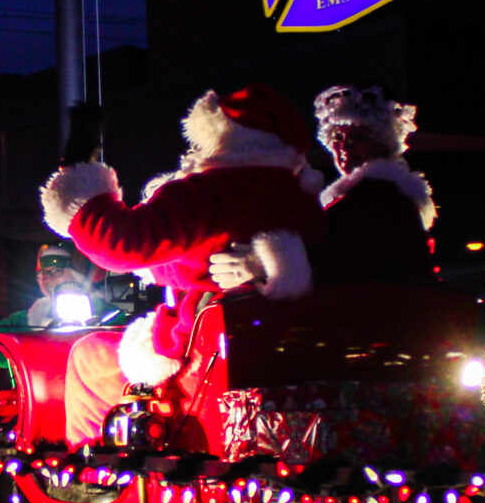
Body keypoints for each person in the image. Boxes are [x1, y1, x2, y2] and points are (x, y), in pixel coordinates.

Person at [41, 84, 324, 447]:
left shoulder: (207, 191)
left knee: (89, 354)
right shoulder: (301, 197)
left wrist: (81, 180)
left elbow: (121, 242)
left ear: (217, 133)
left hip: (197, 346)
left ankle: (92, 465)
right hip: (277, 350)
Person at [308, 85, 435, 283]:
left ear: (384, 143)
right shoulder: (387, 192)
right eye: (337, 137)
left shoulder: (378, 196)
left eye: (358, 137)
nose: (344, 147)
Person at [0, 243, 120, 371]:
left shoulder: (109, 316)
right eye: (43, 273)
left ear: (77, 274)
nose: (48, 279)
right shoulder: (27, 321)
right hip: (40, 404)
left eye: (57, 271)